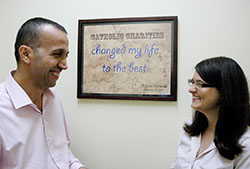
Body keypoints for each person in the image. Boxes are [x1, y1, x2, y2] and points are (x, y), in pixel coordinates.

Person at [0, 17, 87, 169]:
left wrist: (77, 166)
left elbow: (62, 153)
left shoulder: (53, 97)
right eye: (57, 54)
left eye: (66, 56)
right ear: (26, 54)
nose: (64, 65)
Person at [171, 56, 250, 169]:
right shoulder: (192, 127)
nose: (191, 89)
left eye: (200, 84)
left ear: (224, 90)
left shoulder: (245, 143)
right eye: (192, 82)